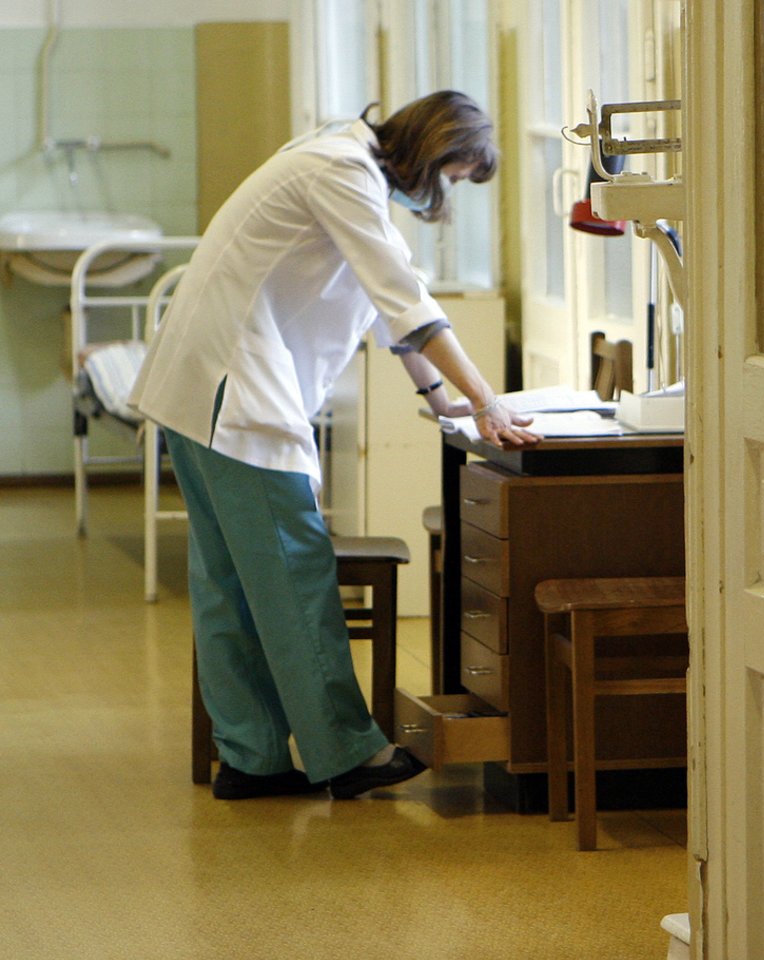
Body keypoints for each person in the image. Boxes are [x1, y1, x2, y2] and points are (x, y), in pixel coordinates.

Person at [130, 90, 539, 800]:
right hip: (234, 393)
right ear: (433, 154)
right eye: (451, 177)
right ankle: (347, 753)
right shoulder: (342, 172)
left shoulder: (337, 162)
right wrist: (484, 400)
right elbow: (406, 302)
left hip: (195, 384)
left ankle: (252, 759)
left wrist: (436, 397)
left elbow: (387, 300)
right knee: (295, 571)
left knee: (228, 584)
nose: (442, 195)